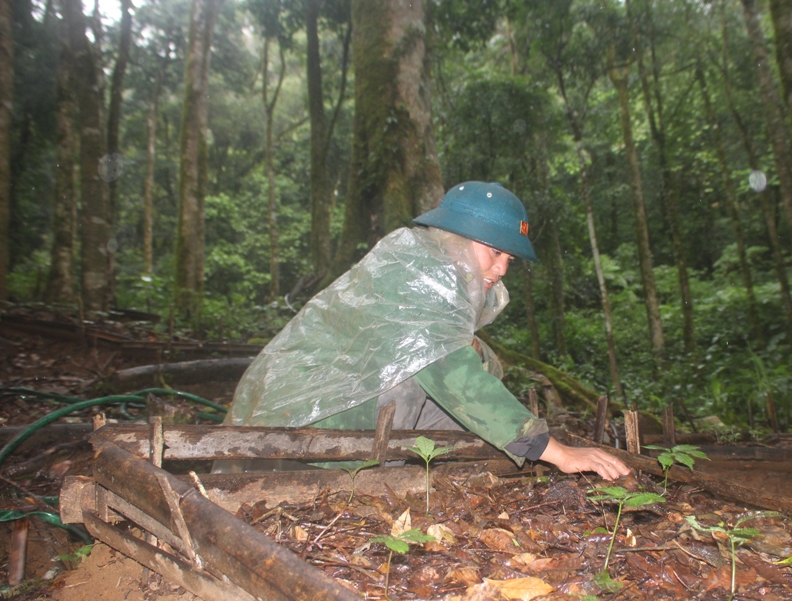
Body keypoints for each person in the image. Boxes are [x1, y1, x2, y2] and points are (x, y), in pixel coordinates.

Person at [225, 181, 630, 480]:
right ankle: (362, 477)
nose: (503, 268)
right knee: (443, 368)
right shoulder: (416, 276)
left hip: (327, 414)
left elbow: (463, 364)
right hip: (293, 427)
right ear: (459, 240)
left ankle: (403, 468)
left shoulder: (439, 275)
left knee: (481, 362)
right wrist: (555, 452)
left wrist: (477, 355)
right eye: (494, 251)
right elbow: (450, 372)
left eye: (509, 257)